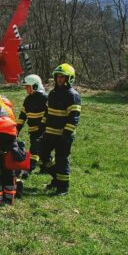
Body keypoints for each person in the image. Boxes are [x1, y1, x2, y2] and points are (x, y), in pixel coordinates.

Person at [40, 63, 81, 195]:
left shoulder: (72, 95)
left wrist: (67, 134)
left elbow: (73, 117)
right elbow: (47, 112)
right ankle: (57, 178)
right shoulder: (52, 94)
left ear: (69, 79)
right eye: (58, 77)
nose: (59, 79)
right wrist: (42, 125)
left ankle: (63, 187)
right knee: (43, 155)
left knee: (62, 159)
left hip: (64, 135)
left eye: (62, 77)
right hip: (49, 133)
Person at [16, 74, 48, 175]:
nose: (26, 89)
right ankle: (47, 167)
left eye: (27, 87)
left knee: (35, 149)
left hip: (43, 130)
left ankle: (28, 170)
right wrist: (17, 129)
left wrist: (42, 126)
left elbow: (49, 113)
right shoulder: (28, 100)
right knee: (43, 151)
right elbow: (22, 116)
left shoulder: (45, 98)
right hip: (33, 129)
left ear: (35, 86)